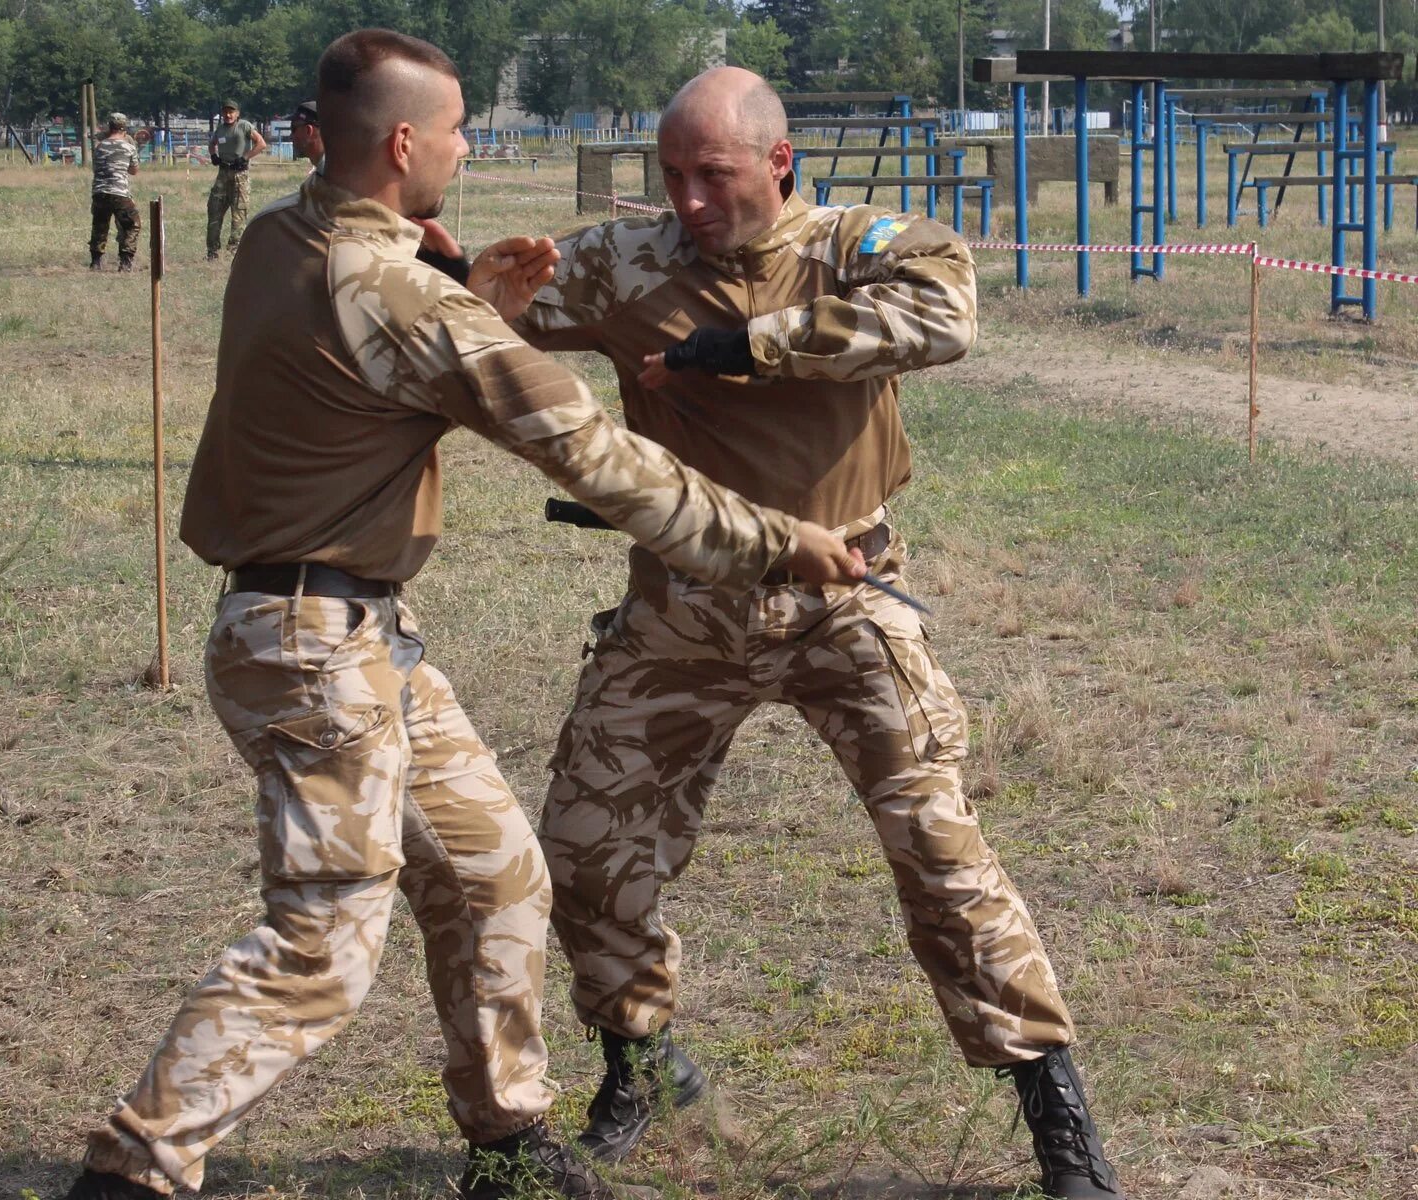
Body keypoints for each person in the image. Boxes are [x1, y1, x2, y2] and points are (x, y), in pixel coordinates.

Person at [60, 32, 862, 1200]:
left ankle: (507, 1140)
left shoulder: (289, 236)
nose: (464, 147)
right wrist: (779, 538)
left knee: (494, 875)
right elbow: (598, 456)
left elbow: (365, 366)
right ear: (402, 143)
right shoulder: (403, 296)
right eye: (452, 131)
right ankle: (136, 1168)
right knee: (322, 945)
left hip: (346, 631)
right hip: (312, 647)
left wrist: (465, 301)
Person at [480, 66, 1124, 1200]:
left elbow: (945, 314)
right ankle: (639, 1064)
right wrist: (466, 279)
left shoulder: (853, 245)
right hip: (682, 605)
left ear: (778, 164)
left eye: (712, 175)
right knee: (583, 850)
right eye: (670, 175)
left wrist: (742, 347)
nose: (685, 199)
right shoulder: (624, 263)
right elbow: (477, 310)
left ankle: (1053, 1110)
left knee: (938, 853)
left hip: (845, 594)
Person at [206, 99, 266, 259]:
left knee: (239, 213)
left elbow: (261, 143)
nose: (228, 115)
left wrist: (245, 157)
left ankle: (234, 252)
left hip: (240, 174)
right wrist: (213, 155)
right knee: (214, 211)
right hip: (223, 174)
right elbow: (212, 144)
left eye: (231, 111)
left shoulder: (244, 126)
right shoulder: (220, 130)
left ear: (237, 113)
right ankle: (212, 252)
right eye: (225, 112)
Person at [89, 112, 141, 272]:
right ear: (124, 129)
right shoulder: (129, 147)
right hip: (119, 193)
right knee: (132, 225)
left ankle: (96, 262)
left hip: (99, 192)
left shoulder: (99, 146)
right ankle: (125, 261)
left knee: (100, 226)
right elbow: (134, 171)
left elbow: (96, 168)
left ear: (109, 128)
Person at [288, 98, 323, 168]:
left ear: (308, 131)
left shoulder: (336, 175)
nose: (290, 136)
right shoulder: (321, 172)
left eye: (293, 129)